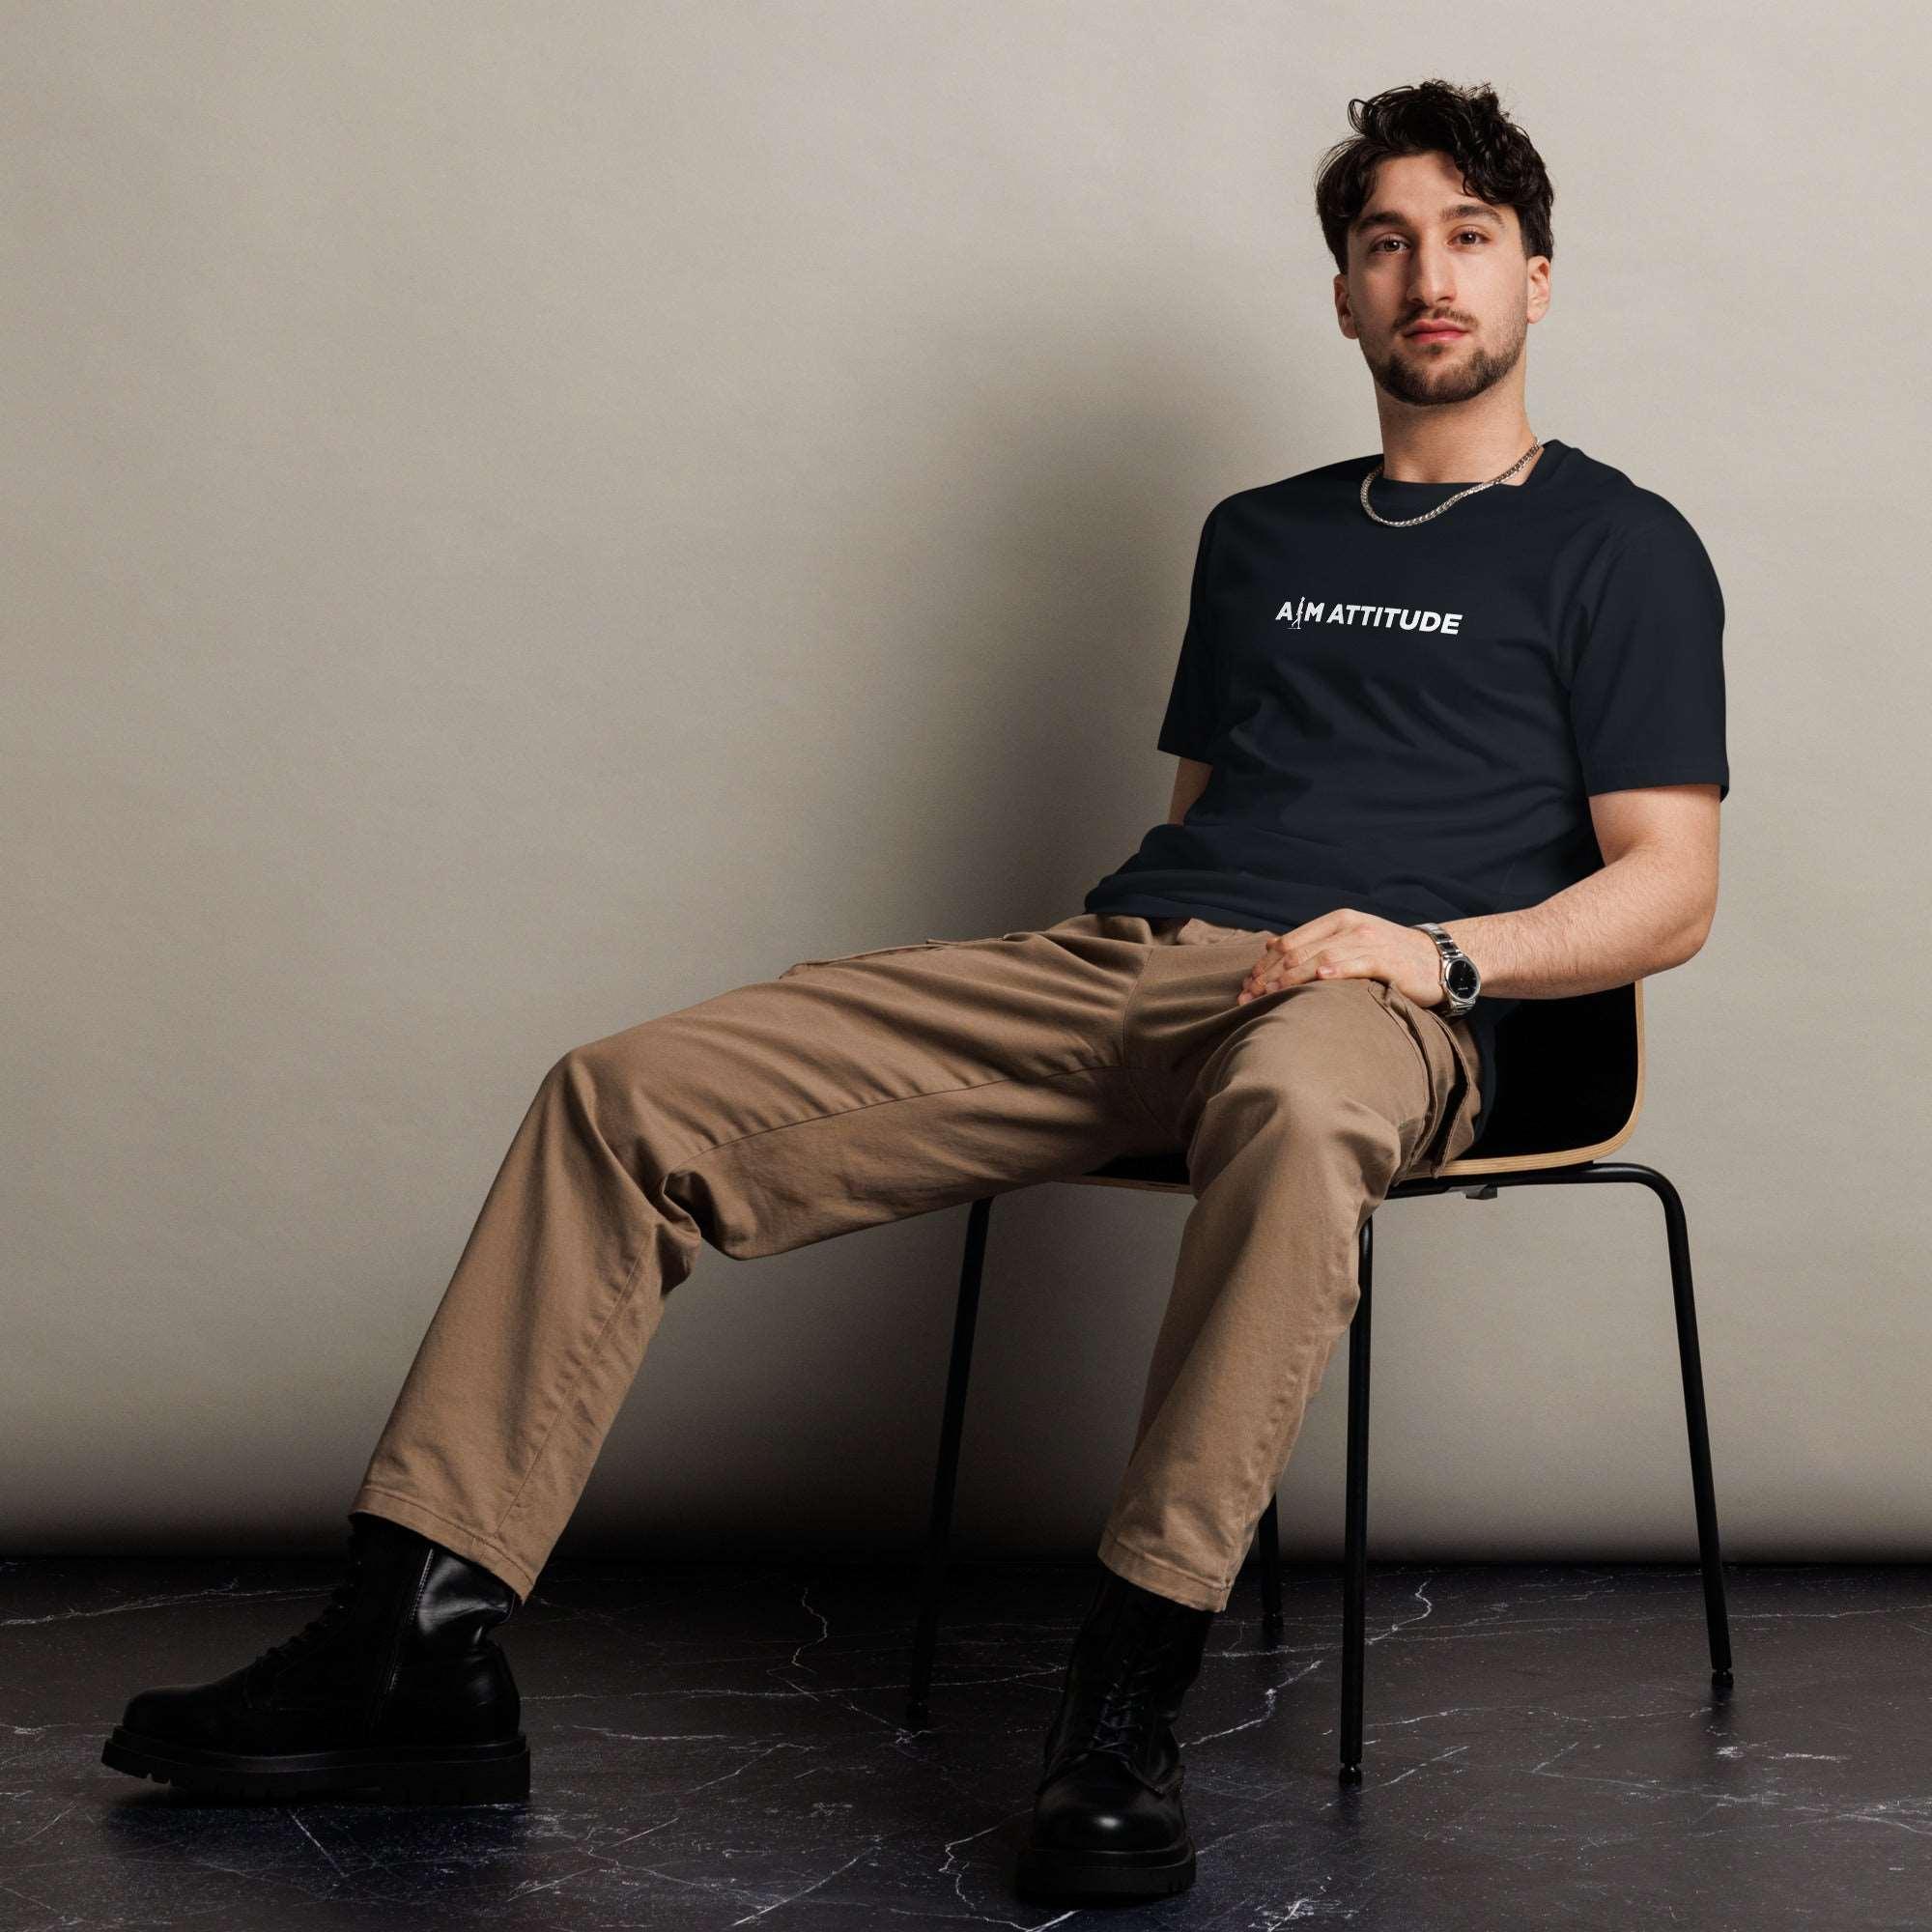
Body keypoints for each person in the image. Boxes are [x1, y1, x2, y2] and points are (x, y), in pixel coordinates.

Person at [101, 78, 1728, 1908]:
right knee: (621, 1097)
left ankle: (1123, 1702)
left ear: (1534, 279)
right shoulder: (1258, 537)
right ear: (1344, 293)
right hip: (1131, 969)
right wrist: (1144, 971)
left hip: (1378, 1005)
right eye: (1386, 242)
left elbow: (1670, 887)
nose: (1429, 275)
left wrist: (1435, 954)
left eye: (1470, 239)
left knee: (1290, 1107)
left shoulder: (1623, 545)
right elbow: (1201, 817)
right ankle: (414, 1646)